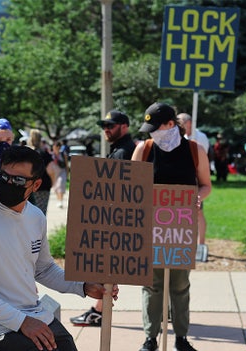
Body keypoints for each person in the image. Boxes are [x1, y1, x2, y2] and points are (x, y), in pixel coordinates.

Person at [0, 145, 118, 351]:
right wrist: (21, 322)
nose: (9, 183)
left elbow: (44, 269)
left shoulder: (35, 216)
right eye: (4, 176)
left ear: (36, 184)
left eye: (18, 180)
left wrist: (82, 286)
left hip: (34, 314)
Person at [131, 102, 211, 351]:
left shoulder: (194, 150)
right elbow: (131, 186)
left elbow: (206, 185)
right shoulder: (144, 150)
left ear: (170, 124)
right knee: (151, 284)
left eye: (156, 127)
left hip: (181, 228)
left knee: (179, 284)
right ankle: (150, 337)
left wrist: (198, 197)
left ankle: (181, 337)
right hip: (150, 227)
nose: (152, 132)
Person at [70, 109, 135, 328]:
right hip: (115, 217)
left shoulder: (124, 152)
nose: (106, 129)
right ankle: (99, 309)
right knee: (109, 268)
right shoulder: (120, 149)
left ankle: (99, 311)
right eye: (104, 126)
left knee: (109, 268)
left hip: (117, 219)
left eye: (111, 125)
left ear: (124, 126)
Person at [177, 113, 210, 262]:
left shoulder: (200, 137)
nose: (180, 124)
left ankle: (200, 244)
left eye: (182, 121)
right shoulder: (178, 136)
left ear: (189, 122)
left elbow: (204, 156)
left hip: (196, 179)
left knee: (198, 212)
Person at [27, 129, 53, 214]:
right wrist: (52, 182)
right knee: (41, 212)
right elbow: (51, 170)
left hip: (27, 186)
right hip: (43, 185)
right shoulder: (45, 154)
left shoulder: (26, 154)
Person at [50, 141, 69, 209]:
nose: (54, 148)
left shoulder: (63, 154)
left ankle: (60, 201)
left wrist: (67, 173)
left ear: (59, 147)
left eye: (56, 147)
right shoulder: (51, 155)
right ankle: (58, 199)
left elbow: (66, 165)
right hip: (54, 173)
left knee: (60, 185)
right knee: (56, 188)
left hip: (62, 172)